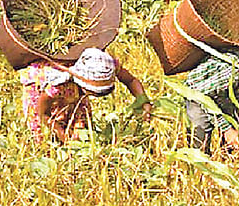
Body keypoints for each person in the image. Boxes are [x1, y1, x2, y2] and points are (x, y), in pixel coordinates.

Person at [20, 48, 152, 142]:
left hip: (74, 90)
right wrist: (63, 136)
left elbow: (131, 80)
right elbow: (43, 113)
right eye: (94, 92)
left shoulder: (106, 65)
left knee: (82, 128)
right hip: (39, 90)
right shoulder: (59, 85)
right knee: (42, 135)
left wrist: (144, 101)